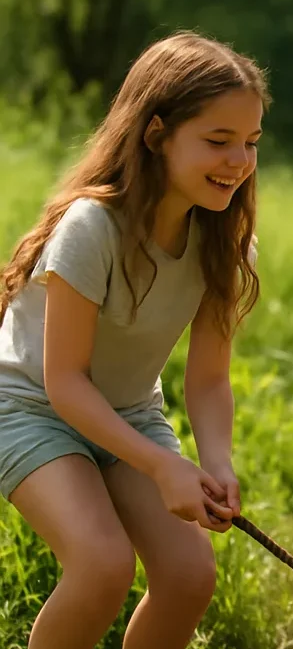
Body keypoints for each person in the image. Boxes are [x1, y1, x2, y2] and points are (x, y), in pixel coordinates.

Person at [0, 31, 268, 649]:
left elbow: (208, 379)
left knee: (189, 576)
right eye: (218, 141)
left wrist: (216, 463)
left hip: (128, 415)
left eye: (251, 142)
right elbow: (65, 382)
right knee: (103, 565)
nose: (239, 161)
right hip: (30, 409)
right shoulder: (91, 227)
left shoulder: (224, 245)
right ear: (155, 134)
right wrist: (162, 465)